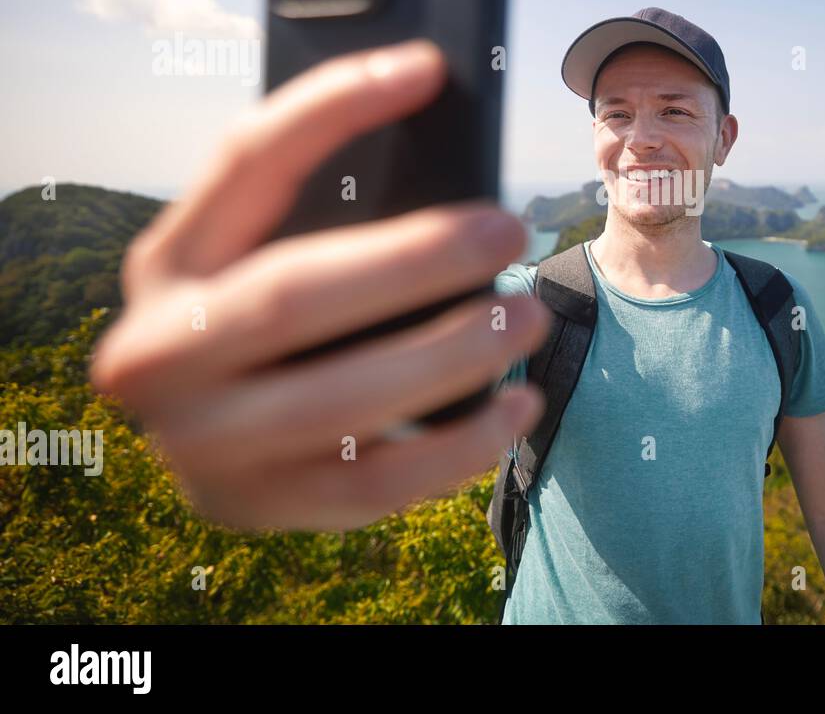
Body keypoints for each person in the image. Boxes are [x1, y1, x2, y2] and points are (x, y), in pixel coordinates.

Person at [493, 7, 825, 624]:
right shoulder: (531, 303)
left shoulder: (776, 306)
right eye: (616, 113)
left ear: (724, 138)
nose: (642, 138)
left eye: (675, 111)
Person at [90, 41, 553, 531]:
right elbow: (475, 340)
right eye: (618, 112)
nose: (645, 138)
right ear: (592, 131)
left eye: (651, 107)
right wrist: (254, 373)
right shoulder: (548, 296)